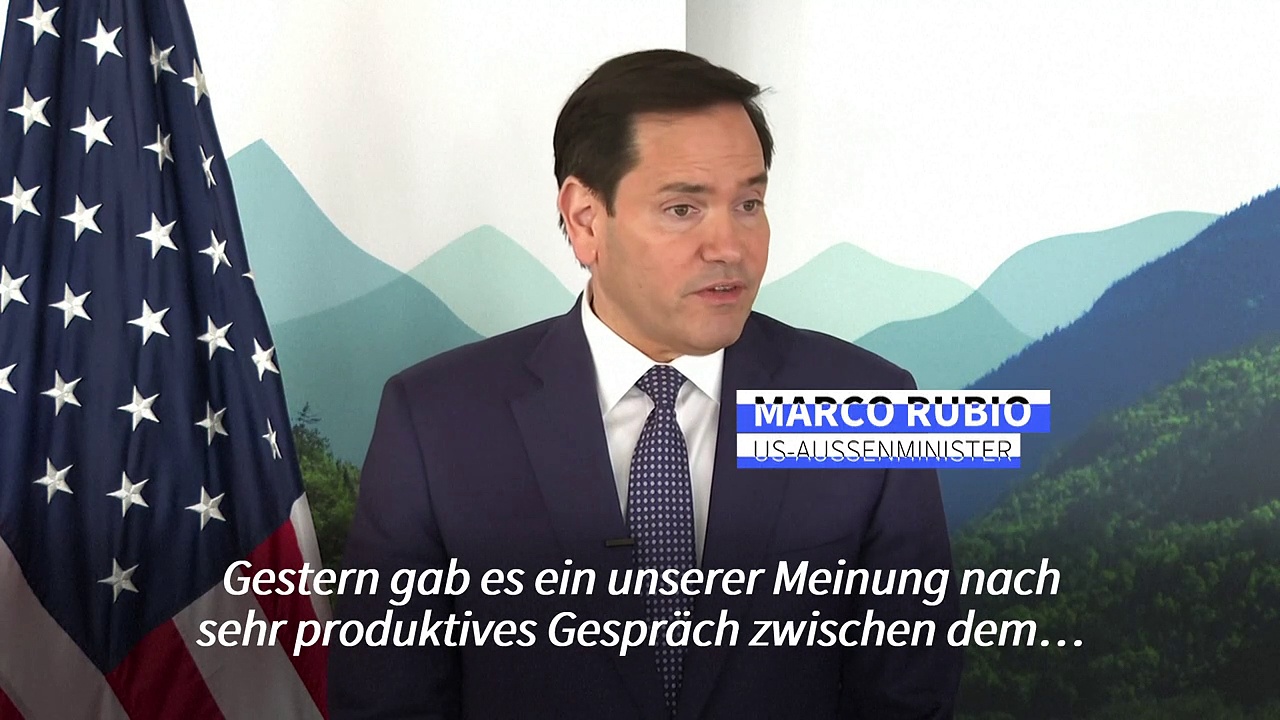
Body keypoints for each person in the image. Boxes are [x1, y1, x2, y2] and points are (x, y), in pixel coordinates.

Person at [328, 49, 963, 719]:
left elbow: (907, 696)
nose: (730, 246)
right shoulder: (436, 422)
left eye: (749, 203)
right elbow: (387, 700)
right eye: (683, 208)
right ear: (585, 219)